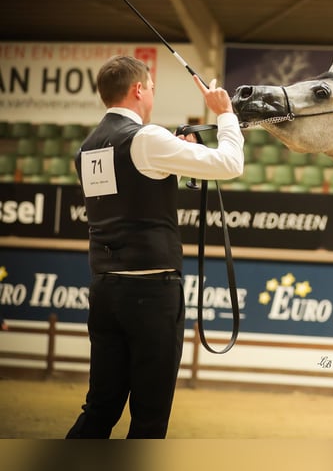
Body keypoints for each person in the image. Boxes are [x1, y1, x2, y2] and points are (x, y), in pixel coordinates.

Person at [66, 55, 244, 439]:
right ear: (138, 90)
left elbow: (132, 193)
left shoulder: (87, 149)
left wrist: (173, 157)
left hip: (106, 291)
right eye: (151, 88)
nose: (151, 95)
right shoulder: (146, 138)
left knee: (100, 408)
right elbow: (230, 163)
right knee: (149, 418)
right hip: (151, 293)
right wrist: (225, 114)